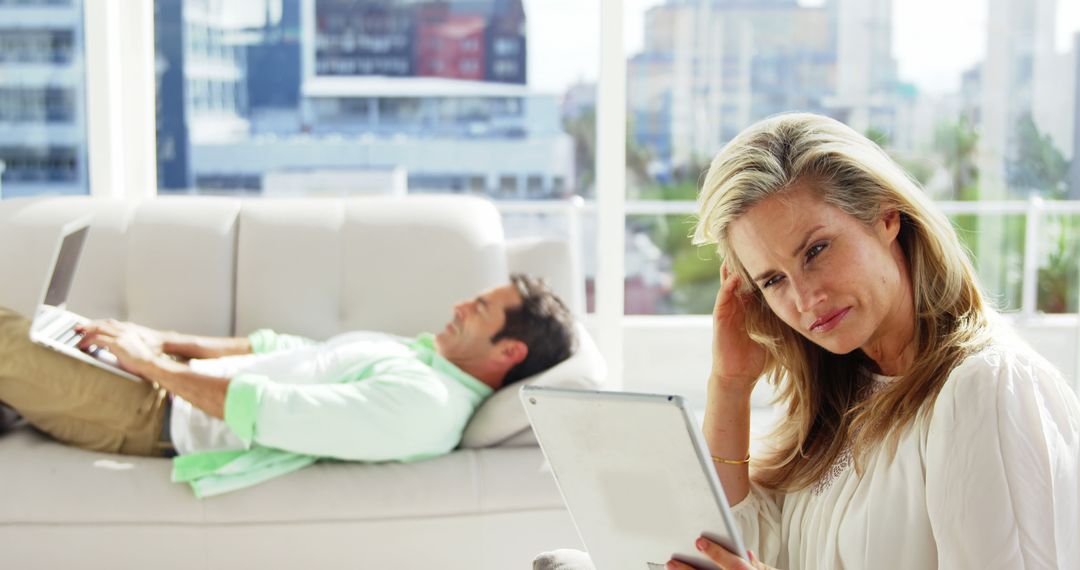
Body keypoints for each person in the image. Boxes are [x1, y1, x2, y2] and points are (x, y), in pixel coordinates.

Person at [662, 113, 1080, 569]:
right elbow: (726, 551)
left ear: (885, 215)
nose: (805, 299)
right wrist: (730, 384)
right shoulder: (841, 401)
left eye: (816, 250)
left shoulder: (986, 387)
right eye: (773, 280)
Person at [0, 273, 576, 497]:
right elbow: (284, 350)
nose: (458, 304)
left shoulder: (427, 406)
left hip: (150, 417)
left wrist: (149, 366)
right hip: (164, 384)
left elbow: (269, 411)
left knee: (6, 337)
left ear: (509, 352)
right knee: (26, 333)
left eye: (478, 309)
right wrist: (158, 341)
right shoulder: (423, 358)